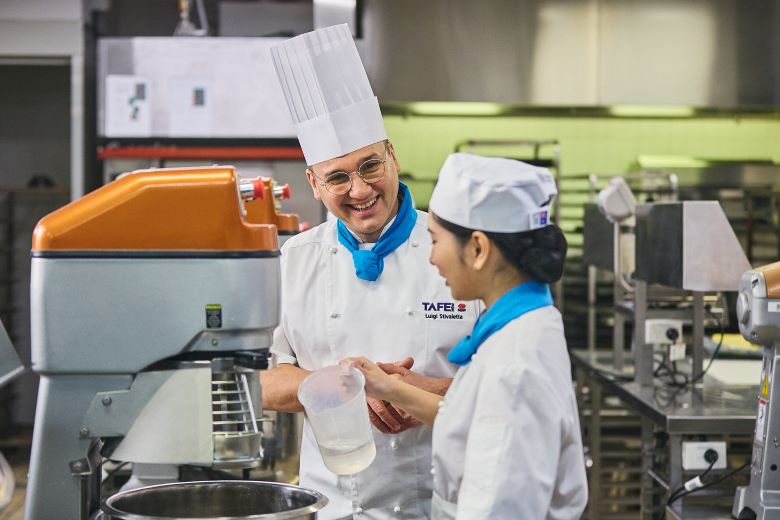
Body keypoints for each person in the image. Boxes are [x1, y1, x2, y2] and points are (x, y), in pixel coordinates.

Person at [260, 25, 481, 519]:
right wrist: (341, 391)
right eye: (338, 177)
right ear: (314, 184)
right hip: (329, 506)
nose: (359, 190)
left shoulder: (461, 252)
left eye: (370, 167)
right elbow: (263, 381)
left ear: (393, 157)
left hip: (438, 505)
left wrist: (415, 392)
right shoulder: (294, 260)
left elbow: (505, 381)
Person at [344, 153, 589, 519]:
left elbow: (499, 510)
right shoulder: (525, 325)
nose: (431, 259)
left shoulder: (515, 367)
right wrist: (389, 388)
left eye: (435, 240)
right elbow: (473, 420)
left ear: (477, 249)